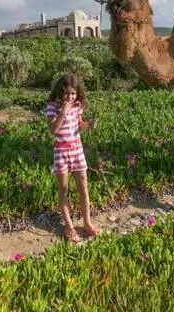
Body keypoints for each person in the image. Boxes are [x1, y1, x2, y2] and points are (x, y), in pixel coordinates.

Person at [44, 74, 100, 243]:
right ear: (60, 92)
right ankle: (69, 227)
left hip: (77, 150)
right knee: (64, 190)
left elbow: (79, 124)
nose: (70, 97)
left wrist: (88, 125)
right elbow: (53, 130)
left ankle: (87, 223)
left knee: (84, 188)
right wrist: (63, 112)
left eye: (73, 93)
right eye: (67, 93)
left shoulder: (77, 106)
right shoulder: (52, 107)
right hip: (61, 152)